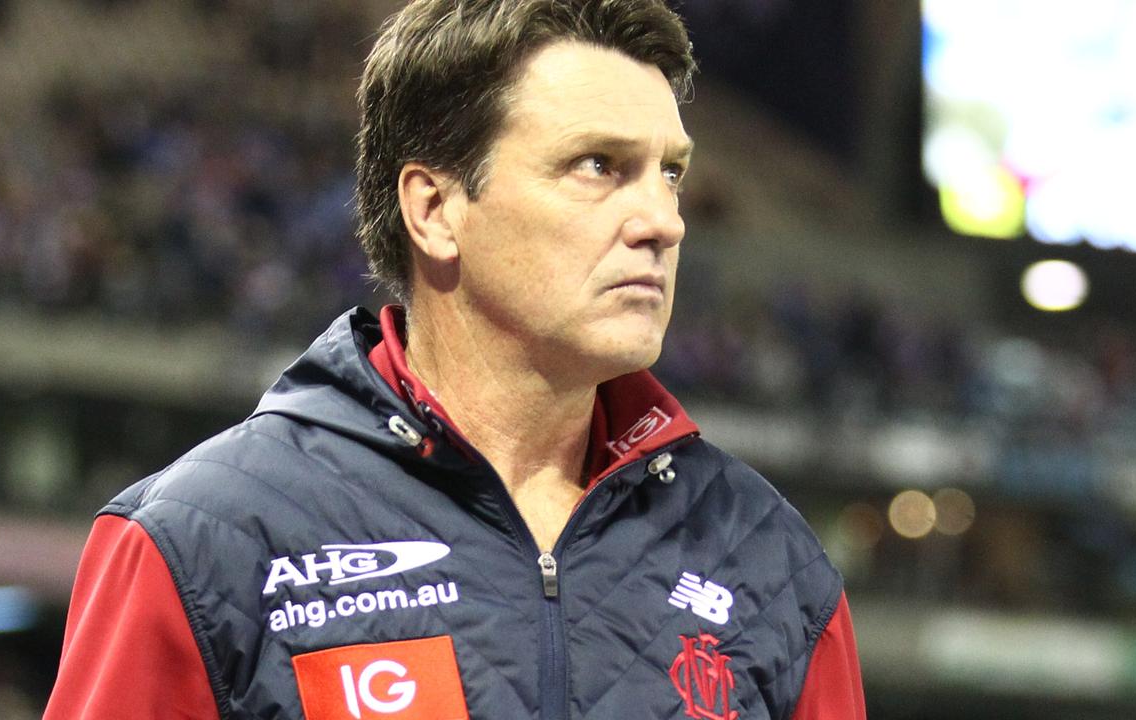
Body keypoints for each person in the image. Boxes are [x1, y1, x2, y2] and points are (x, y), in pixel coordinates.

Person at [44, 1, 866, 718]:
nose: (663, 220)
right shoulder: (202, 542)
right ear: (435, 210)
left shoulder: (770, 564)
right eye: (598, 166)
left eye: (671, 174)